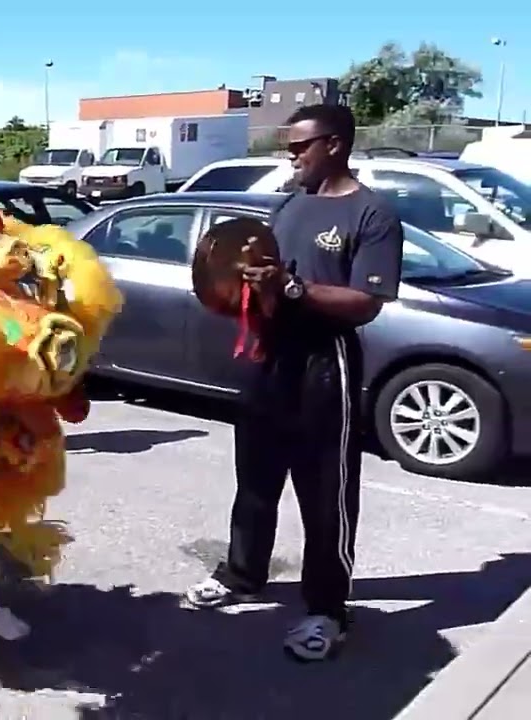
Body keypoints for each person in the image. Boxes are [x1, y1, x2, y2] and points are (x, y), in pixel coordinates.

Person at [183, 103, 405, 662]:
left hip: (325, 364)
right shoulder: (289, 205)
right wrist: (240, 286)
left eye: (300, 146)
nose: (291, 156)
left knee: (325, 494)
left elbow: (366, 303)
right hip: (268, 359)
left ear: (334, 145)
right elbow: (263, 275)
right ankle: (242, 575)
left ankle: (328, 610)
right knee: (255, 481)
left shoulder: (372, 214)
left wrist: (293, 288)